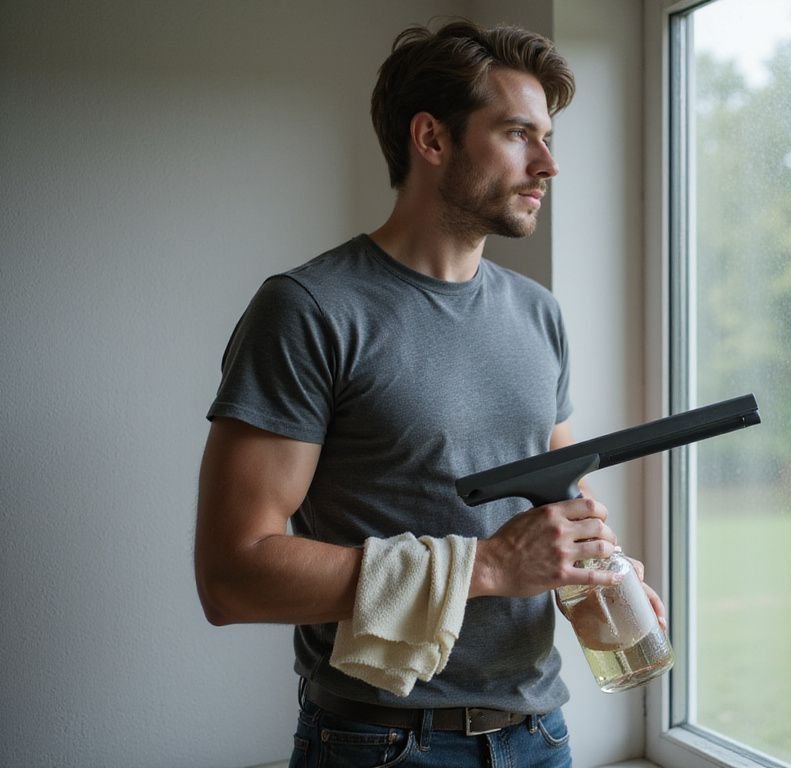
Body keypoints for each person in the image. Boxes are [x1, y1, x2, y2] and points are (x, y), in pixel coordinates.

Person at [194, 18, 663, 768]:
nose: (548, 164)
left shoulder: (537, 312)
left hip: (541, 737)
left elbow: (559, 512)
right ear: (432, 140)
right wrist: (489, 568)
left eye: (550, 138)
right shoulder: (311, 310)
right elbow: (232, 575)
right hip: (379, 743)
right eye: (518, 134)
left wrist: (598, 575)